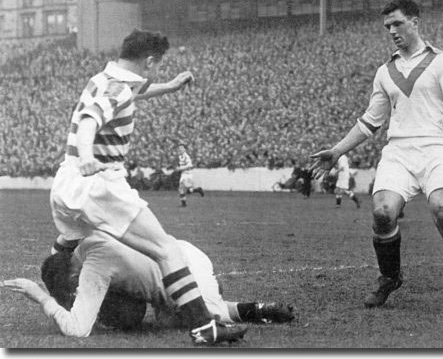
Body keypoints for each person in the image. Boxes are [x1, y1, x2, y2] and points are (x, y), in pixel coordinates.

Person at [48, 29, 247, 344]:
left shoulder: (102, 79)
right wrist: (88, 157)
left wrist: (169, 86)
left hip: (65, 182)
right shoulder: (119, 91)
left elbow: (130, 92)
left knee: (68, 241)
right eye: (158, 65)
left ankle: (59, 292)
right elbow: (90, 120)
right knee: (166, 249)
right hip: (98, 182)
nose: (156, 70)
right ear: (150, 60)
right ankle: (204, 328)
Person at [310, 0, 443, 314]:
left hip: (437, 148)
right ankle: (390, 277)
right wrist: (336, 150)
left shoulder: (442, 62)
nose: (392, 30)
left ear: (414, 22)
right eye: (388, 26)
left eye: (397, 23)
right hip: (399, 152)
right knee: (383, 213)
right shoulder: (385, 72)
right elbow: (369, 122)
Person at [1, 232, 294, 336]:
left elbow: (77, 330)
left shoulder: (92, 269)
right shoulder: (90, 239)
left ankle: (221, 307)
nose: (74, 291)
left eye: (71, 288)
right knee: (167, 317)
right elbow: (63, 243)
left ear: (72, 277)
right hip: (181, 252)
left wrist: (41, 297)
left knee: (204, 319)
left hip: (185, 275)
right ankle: (255, 308)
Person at [176, 143, 204, 207]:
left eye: (181, 148)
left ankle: (198, 190)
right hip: (183, 174)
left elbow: (190, 165)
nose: (180, 149)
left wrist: (180, 168)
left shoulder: (186, 156)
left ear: (184, 149)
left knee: (186, 186)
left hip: (187, 174)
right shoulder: (180, 156)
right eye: (179, 148)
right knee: (181, 189)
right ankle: (184, 204)